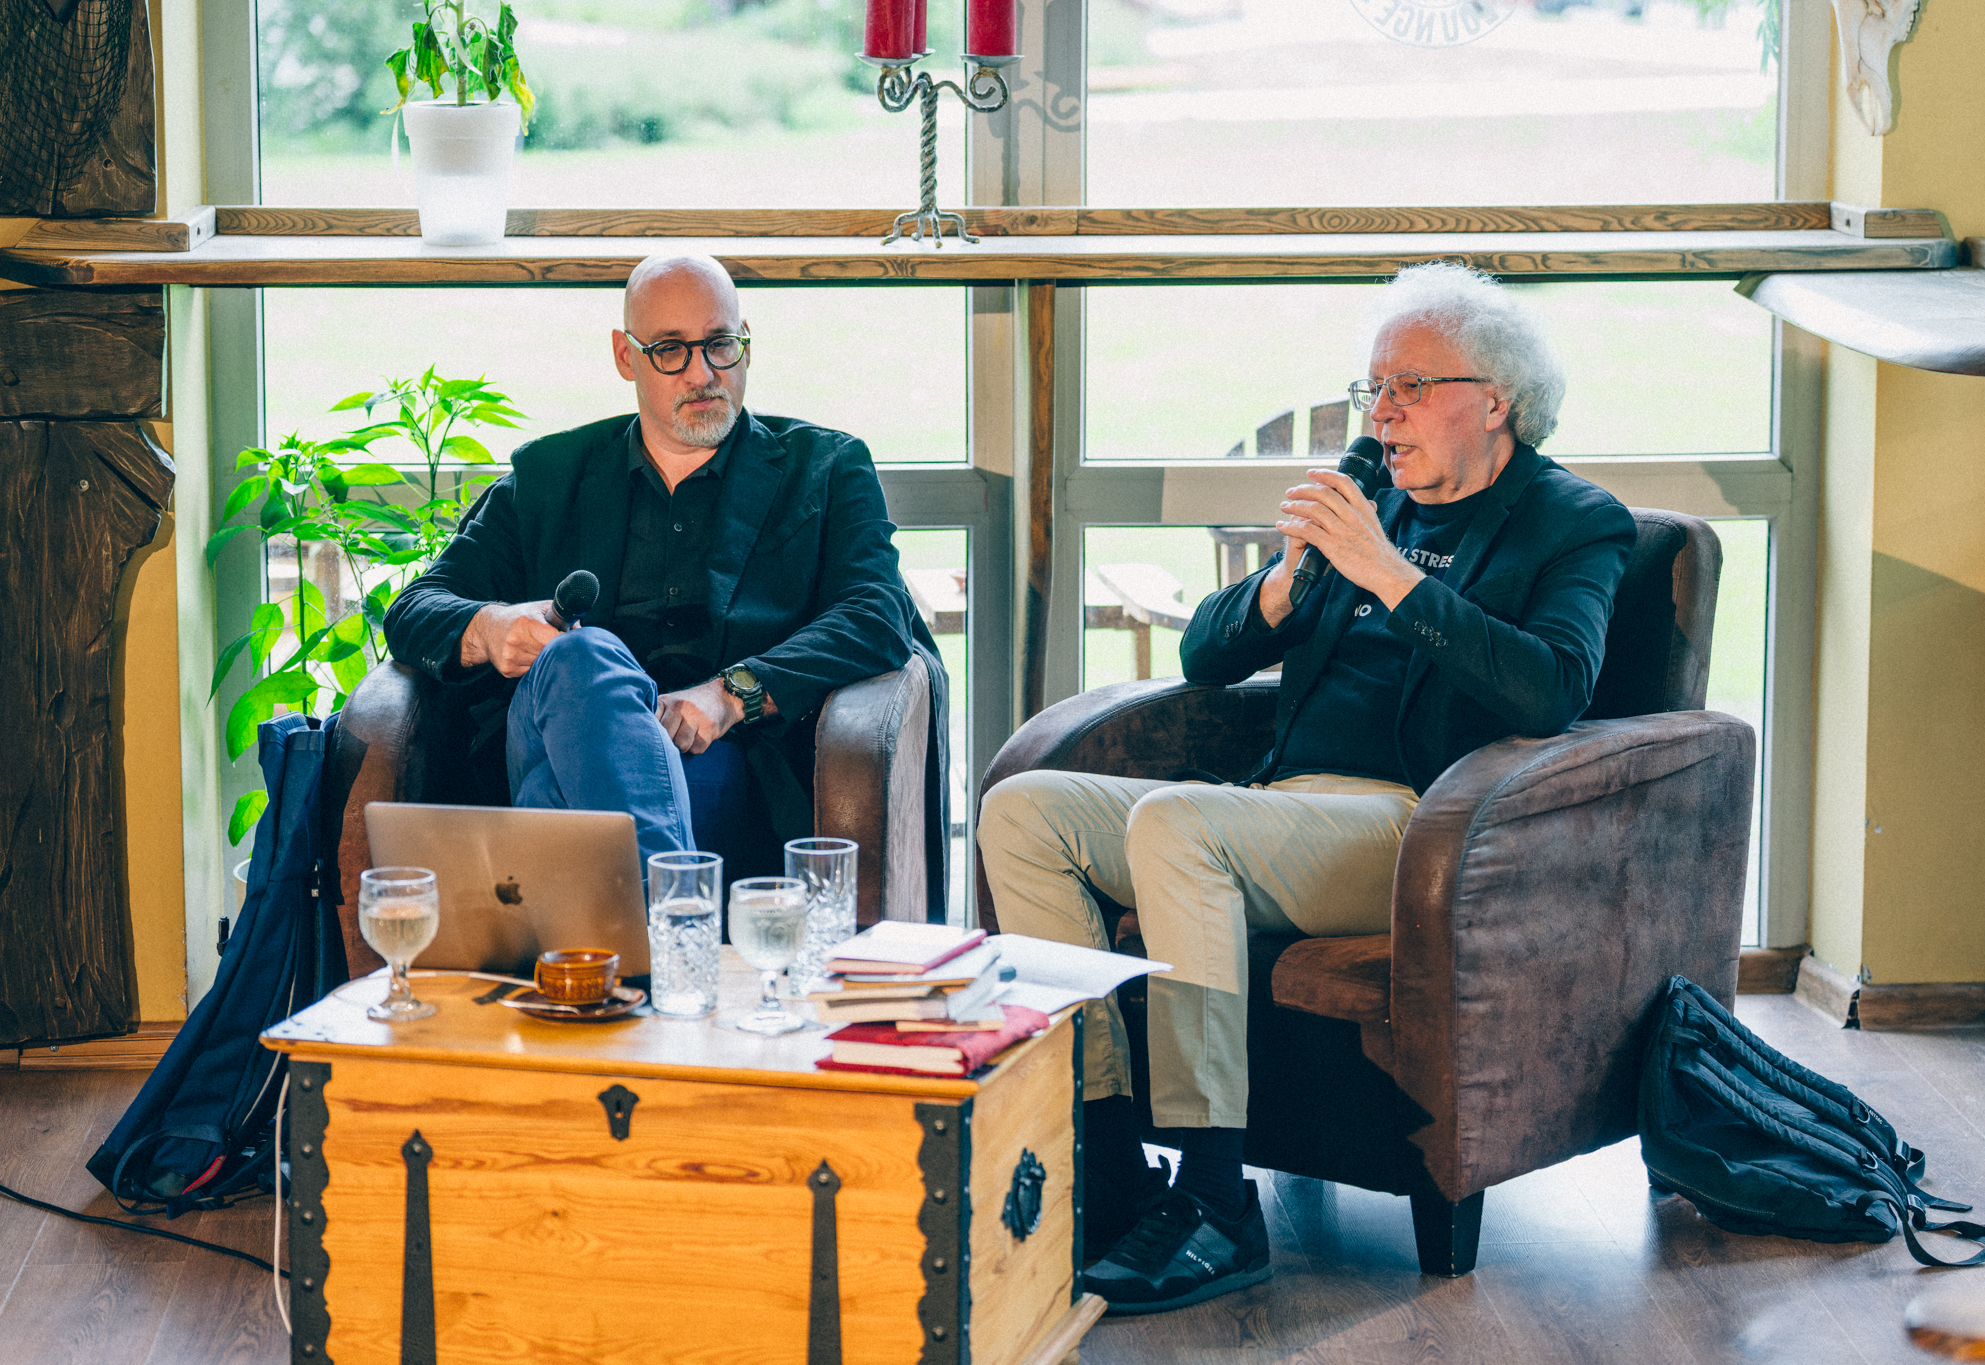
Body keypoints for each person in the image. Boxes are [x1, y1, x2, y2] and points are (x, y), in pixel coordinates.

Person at [977, 263, 1636, 1314]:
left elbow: (1552, 687)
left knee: (1179, 824)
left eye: (1411, 386)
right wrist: (1286, 583)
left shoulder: (1572, 523)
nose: (1382, 413)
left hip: (1426, 827)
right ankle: (1106, 1165)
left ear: (1495, 400)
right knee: (1024, 812)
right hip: (1281, 806)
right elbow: (1204, 657)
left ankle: (1213, 1199)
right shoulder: (1367, 505)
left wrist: (1389, 574)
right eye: (1375, 387)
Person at [384, 253, 942, 897]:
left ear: (747, 344)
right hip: (558, 732)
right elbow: (414, 609)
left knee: (555, 803)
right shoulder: (549, 476)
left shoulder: (822, 468)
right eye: (670, 350)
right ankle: (676, 916)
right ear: (626, 357)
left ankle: (628, 934)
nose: (703, 374)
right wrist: (490, 627)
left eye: (720, 345)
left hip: (726, 768)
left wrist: (729, 695)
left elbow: (875, 614)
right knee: (582, 657)